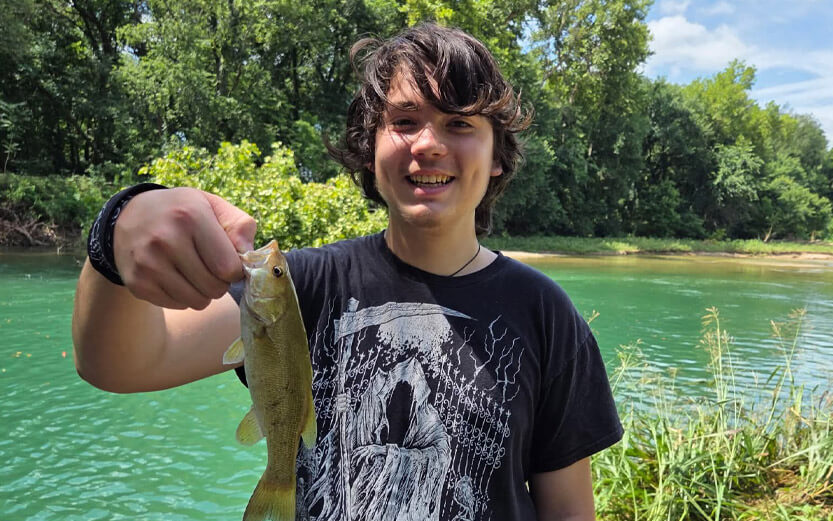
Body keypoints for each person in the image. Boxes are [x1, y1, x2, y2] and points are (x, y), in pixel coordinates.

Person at [73, 23, 622, 521]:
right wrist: (113, 235)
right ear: (369, 148)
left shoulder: (547, 314)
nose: (428, 144)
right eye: (405, 121)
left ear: (497, 155)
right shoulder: (304, 287)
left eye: (459, 123)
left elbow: (569, 507)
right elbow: (119, 366)